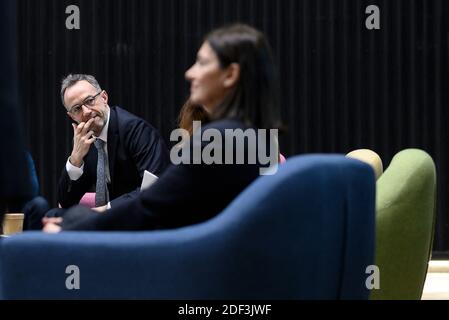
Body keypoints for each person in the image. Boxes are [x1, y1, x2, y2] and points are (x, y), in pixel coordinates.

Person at [43, 23, 282, 232]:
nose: (190, 73)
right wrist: (75, 163)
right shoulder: (254, 137)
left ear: (230, 75)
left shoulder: (217, 139)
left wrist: (76, 225)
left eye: (202, 62)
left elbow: (151, 205)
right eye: (76, 109)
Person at [26, 74, 171, 228]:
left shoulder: (136, 130)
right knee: (52, 215)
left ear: (104, 97)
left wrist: (104, 211)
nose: (86, 111)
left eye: (89, 101)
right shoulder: (86, 140)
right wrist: (75, 159)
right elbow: (66, 202)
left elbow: (154, 187)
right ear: (71, 116)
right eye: (77, 109)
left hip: (137, 216)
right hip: (110, 219)